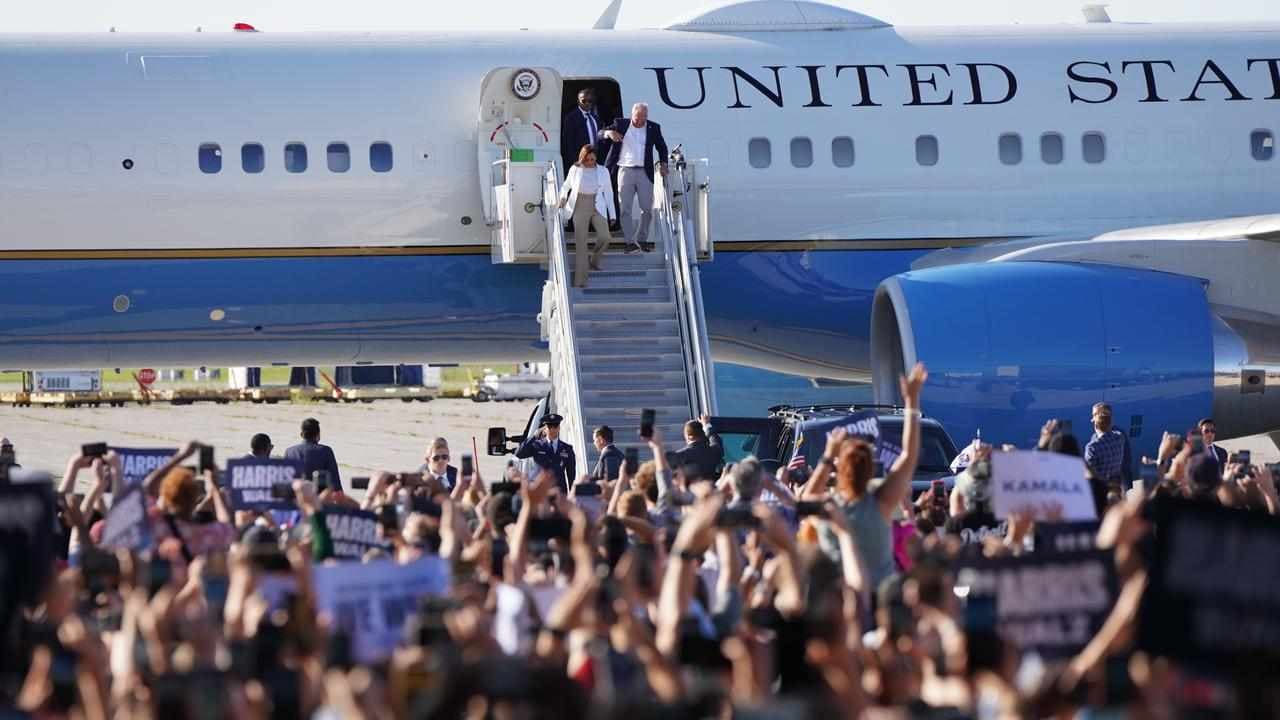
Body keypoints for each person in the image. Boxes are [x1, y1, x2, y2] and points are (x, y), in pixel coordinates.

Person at [805, 363, 926, 592]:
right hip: (882, 598)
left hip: (842, 604)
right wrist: (911, 401)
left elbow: (808, 495)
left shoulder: (829, 511)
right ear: (872, 470)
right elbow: (909, 455)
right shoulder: (880, 504)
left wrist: (828, 455)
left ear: (838, 471)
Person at [602, 102, 669, 254]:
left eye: (644, 117)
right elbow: (600, 133)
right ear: (632, 115)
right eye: (638, 117)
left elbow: (662, 147)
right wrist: (609, 133)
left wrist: (664, 163)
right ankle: (629, 242)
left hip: (645, 172)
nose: (641, 121)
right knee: (625, 208)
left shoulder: (653, 127)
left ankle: (642, 239)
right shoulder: (620, 124)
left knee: (647, 208)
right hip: (625, 171)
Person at [558, 145, 615, 286]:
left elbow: (608, 193)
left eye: (593, 159)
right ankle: (580, 281)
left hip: (597, 205)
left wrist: (612, 214)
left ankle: (594, 261)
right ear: (582, 158)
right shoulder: (575, 169)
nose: (590, 162)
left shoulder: (603, 171)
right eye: (587, 159)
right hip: (579, 205)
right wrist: (563, 198)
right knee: (581, 244)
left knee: (605, 237)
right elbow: (566, 186)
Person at [515, 413, 575, 493]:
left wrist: (572, 494)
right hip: (541, 492)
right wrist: (534, 436)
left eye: (555, 427)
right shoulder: (537, 445)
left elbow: (571, 475)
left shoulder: (567, 448)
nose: (552, 430)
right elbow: (519, 454)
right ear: (545, 429)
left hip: (559, 493)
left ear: (559, 428)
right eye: (549, 427)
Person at [284, 417, 343, 492]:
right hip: (319, 498)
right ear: (318, 435)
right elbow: (335, 479)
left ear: (301, 434)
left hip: (296, 497)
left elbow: (285, 479)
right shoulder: (326, 451)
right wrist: (340, 495)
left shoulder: (290, 451)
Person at [1084, 403, 1130, 488]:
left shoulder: (1092, 447)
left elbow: (1088, 475)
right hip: (1115, 488)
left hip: (1100, 490)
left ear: (1095, 424)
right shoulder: (1120, 437)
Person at [668, 415, 723, 481]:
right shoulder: (714, 451)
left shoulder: (679, 456)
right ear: (702, 434)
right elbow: (715, 439)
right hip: (710, 489)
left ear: (688, 437)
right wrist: (706, 425)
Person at [561, 88, 603, 167]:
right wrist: (574, 162)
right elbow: (568, 142)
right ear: (578, 101)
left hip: (595, 161)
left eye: (590, 101)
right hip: (580, 161)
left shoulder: (595, 118)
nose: (587, 103)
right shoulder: (571, 118)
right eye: (583, 101)